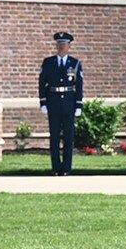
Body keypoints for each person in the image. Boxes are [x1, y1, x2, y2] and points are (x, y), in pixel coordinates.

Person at [39, 32, 83, 174]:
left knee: (68, 138)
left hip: (69, 103)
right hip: (53, 102)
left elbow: (79, 86)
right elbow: (42, 84)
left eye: (64, 44)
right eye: (59, 44)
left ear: (69, 46)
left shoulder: (75, 63)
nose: (61, 46)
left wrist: (78, 105)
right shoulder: (48, 62)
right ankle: (56, 168)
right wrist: (43, 102)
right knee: (55, 137)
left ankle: (66, 168)